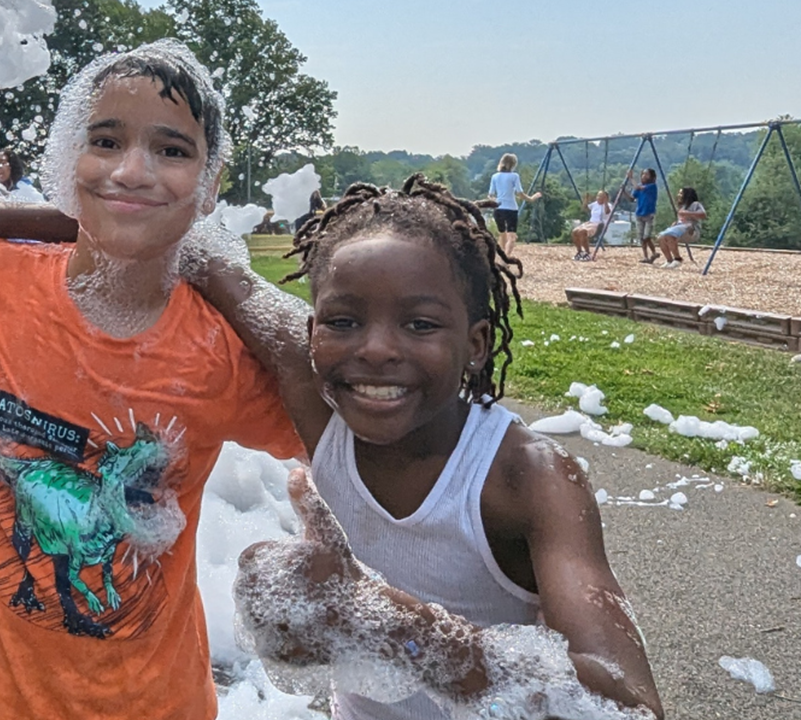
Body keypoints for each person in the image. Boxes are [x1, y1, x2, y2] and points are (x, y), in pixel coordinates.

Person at [0, 40, 303, 719]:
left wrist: (232, 279)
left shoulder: (219, 352)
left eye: (173, 150)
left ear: (211, 184)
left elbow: (349, 441)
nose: (132, 169)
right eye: (105, 140)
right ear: (69, 159)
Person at [185, 175, 662, 719]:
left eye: (420, 324)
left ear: (476, 344)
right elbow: (195, 255)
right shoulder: (322, 408)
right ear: (313, 332)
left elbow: (629, 707)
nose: (377, 348)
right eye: (344, 321)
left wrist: (381, 623)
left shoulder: (523, 476)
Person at [487, 153, 541, 257]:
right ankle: (506, 257)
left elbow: (490, 195)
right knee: (511, 237)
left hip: (498, 209)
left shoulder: (495, 176)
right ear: (513, 164)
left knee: (502, 235)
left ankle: (501, 257)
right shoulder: (514, 176)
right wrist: (531, 198)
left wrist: (497, 201)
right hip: (511, 209)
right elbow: (520, 193)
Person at [656, 187, 705, 269]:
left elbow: (703, 214)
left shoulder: (695, 204)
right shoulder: (682, 207)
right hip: (681, 229)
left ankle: (677, 259)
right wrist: (676, 223)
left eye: (681, 193)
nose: (678, 195)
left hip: (691, 230)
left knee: (669, 235)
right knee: (661, 237)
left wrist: (688, 213)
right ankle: (669, 260)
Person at [628, 169, 660, 264]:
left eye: (647, 174)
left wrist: (630, 178)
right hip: (639, 214)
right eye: (643, 174)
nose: (644, 176)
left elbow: (638, 188)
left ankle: (654, 252)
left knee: (647, 236)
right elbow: (632, 198)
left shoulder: (652, 186)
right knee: (642, 237)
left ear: (652, 177)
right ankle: (646, 256)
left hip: (649, 214)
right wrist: (623, 192)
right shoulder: (640, 187)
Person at [571, 190, 612, 261]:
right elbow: (585, 208)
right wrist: (586, 199)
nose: (599, 198)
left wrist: (605, 202)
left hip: (599, 224)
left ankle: (588, 253)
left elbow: (607, 212)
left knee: (582, 232)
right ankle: (580, 252)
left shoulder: (608, 205)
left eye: (601, 196)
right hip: (590, 222)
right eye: (598, 196)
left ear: (606, 198)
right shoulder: (595, 204)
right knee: (575, 231)